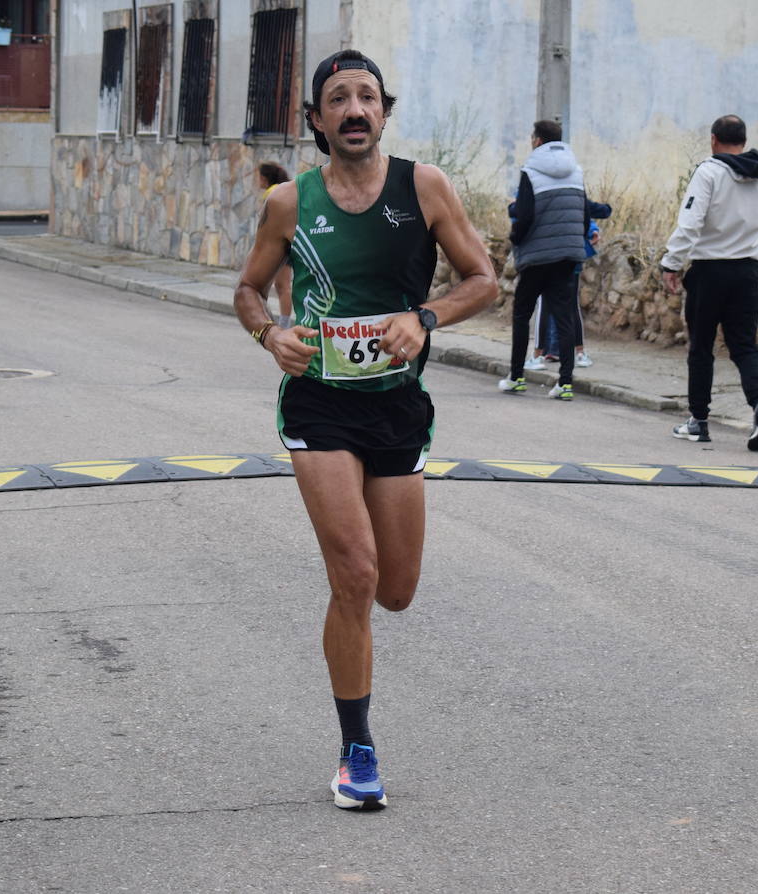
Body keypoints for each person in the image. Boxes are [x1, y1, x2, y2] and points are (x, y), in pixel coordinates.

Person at [233, 50, 497, 811]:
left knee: (397, 590)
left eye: (367, 97)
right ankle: (357, 750)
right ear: (316, 119)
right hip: (319, 402)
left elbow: (483, 279)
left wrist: (425, 318)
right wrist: (270, 334)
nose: (354, 109)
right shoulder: (290, 202)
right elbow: (248, 289)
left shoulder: (425, 187)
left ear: (385, 111)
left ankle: (357, 682)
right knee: (354, 575)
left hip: (395, 406)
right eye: (338, 99)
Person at [661, 114, 758, 450]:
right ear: (744, 140)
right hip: (748, 270)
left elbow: (690, 223)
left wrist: (671, 263)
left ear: (713, 139)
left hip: (710, 270)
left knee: (701, 347)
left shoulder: (708, 172)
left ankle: (698, 420)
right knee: (744, 346)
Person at [498, 119, 586, 401]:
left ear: (537, 141)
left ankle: (516, 377)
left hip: (537, 256)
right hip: (568, 254)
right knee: (564, 316)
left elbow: (524, 215)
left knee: (522, 314)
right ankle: (566, 383)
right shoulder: (576, 171)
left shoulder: (531, 171)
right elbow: (584, 213)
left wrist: (515, 238)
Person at [533, 197, 612, 369]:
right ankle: (577, 353)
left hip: (547, 257)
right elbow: (591, 212)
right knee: (568, 305)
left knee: (546, 305)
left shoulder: (541, 192)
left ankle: (539, 356)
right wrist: (592, 229)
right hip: (570, 256)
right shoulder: (573, 192)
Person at [257, 162, 294, 328]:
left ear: (265, 178)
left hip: (281, 245)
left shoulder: (273, 193)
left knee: (281, 286)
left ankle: (282, 325)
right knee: (281, 286)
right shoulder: (281, 189)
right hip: (285, 242)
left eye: (259, 177)